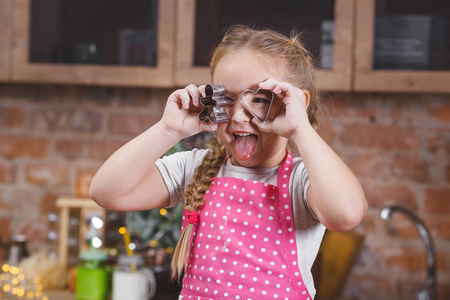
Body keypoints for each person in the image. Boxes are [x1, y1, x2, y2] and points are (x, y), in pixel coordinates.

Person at [89, 25, 367, 300]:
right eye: (226, 98)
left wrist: (300, 128)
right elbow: (107, 192)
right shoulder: (192, 168)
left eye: (259, 99)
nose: (237, 116)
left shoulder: (303, 181)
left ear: (294, 103)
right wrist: (168, 129)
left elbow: (346, 214)